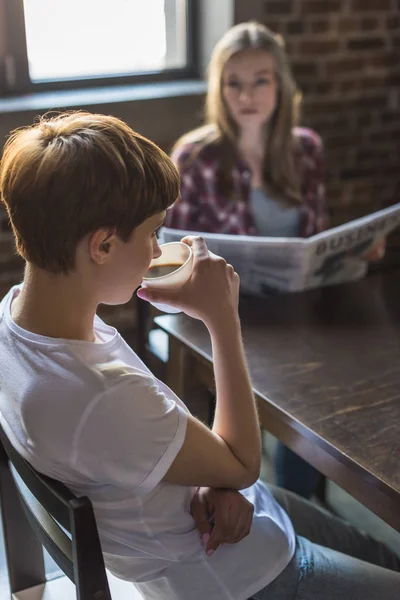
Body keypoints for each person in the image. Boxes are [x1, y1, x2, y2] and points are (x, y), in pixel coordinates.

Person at [0, 112, 398, 600]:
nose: (155, 252)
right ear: (101, 245)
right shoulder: (101, 396)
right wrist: (221, 317)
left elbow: (181, 455)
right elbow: (243, 463)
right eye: (151, 234)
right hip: (243, 577)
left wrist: (217, 479)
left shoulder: (18, 320)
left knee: (383, 556)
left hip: (218, 511)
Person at [165, 21, 385, 499]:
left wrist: (352, 253)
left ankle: (302, 504)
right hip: (225, 318)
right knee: (276, 387)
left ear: (281, 85)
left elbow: (314, 241)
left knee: (334, 383)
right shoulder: (195, 156)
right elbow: (172, 257)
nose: (247, 95)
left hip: (297, 311)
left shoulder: (306, 150)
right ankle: (243, 495)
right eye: (234, 82)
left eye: (261, 80)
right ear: (218, 88)